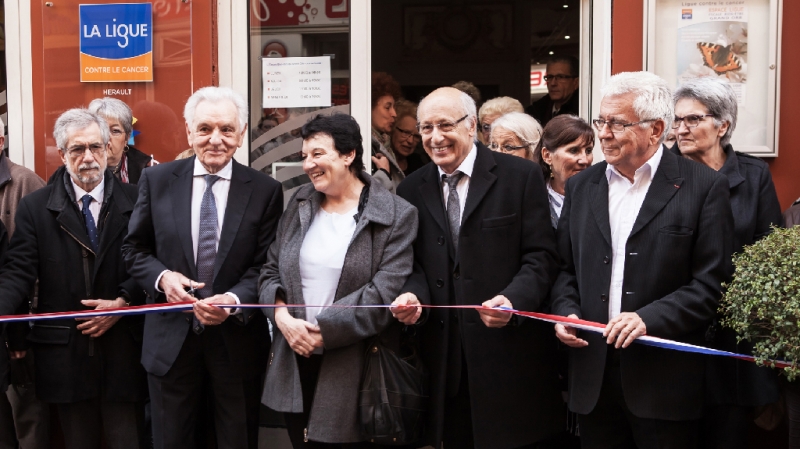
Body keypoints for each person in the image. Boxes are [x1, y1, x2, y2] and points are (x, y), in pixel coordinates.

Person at [551, 71, 734, 448]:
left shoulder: (703, 187)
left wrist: (646, 319)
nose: (603, 133)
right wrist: (566, 312)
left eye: (618, 123)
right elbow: (564, 269)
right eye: (601, 121)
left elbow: (712, 284)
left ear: (656, 129)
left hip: (663, 382)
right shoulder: (584, 185)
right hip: (593, 378)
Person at [390, 87, 564, 449]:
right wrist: (413, 296)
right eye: (426, 128)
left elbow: (542, 257)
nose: (435, 138)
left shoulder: (519, 177)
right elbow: (413, 264)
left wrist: (513, 300)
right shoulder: (411, 189)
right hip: (443, 363)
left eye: (444, 125)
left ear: (471, 126)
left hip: (508, 358)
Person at [122, 87, 283, 449]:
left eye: (226, 130)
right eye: (205, 128)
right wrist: (164, 279)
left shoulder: (265, 190)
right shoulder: (157, 180)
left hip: (237, 346)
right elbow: (134, 249)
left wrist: (233, 299)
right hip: (170, 345)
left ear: (241, 135)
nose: (216, 139)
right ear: (189, 131)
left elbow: (267, 265)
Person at [258, 113, 418, 447]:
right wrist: (282, 318)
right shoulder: (300, 202)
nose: (308, 164)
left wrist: (323, 332)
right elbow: (270, 270)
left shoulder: (397, 214)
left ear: (348, 155)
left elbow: (381, 294)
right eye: (304, 156)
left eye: (317, 154)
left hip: (355, 369)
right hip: (294, 358)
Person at [0, 108, 147, 449]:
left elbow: (148, 262)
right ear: (62, 154)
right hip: (66, 358)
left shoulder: (137, 199)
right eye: (77, 149)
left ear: (109, 147)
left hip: (124, 352)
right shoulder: (36, 208)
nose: (88, 157)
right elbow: (19, 271)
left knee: (127, 439)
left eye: (95, 147)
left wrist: (123, 301)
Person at [672, 76, 783, 449]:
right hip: (675, 332)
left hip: (734, 341)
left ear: (723, 125)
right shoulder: (662, 175)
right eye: (677, 120)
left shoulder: (754, 177)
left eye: (693, 120)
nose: (681, 129)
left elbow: (768, 258)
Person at [0, 118, 50, 449]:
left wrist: (20, 328)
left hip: (20, 321)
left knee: (25, 418)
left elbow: (41, 256)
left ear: (1, 141)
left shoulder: (24, 182)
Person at [532, 114, 595, 228]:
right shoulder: (533, 200)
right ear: (547, 156)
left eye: (588, 150)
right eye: (574, 150)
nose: (584, 160)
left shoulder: (601, 196)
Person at [88, 97, 153, 185]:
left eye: (115, 131)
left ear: (126, 137)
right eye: (101, 129)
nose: (106, 137)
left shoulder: (144, 172)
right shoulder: (77, 168)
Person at [371, 72, 404, 193]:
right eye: (387, 107)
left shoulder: (384, 143)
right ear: (369, 107)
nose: (394, 114)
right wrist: (383, 173)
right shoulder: (364, 145)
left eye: (393, 107)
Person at [526, 56, 580, 127]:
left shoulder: (582, 110)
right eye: (550, 77)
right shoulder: (537, 111)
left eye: (560, 77)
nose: (553, 83)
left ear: (575, 82)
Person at [390, 99, 426, 176]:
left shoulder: (418, 164)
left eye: (416, 136)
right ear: (392, 129)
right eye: (406, 133)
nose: (410, 141)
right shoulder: (381, 162)